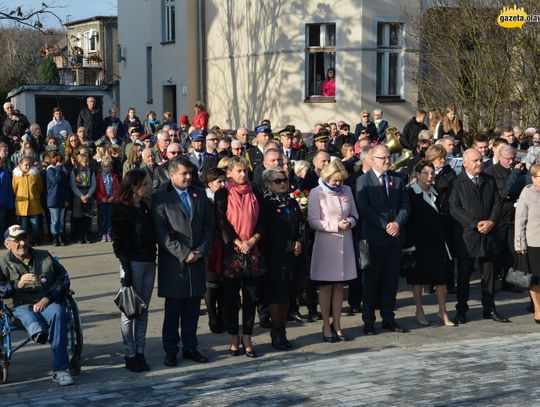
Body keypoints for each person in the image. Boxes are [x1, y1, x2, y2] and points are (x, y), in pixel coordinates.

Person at [151, 156, 213, 367]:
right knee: (173, 310)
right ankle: (170, 349)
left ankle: (190, 347)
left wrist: (200, 250)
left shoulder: (199, 193)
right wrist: (184, 253)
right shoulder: (161, 197)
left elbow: (208, 226)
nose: (188, 177)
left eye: (190, 173)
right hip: (175, 264)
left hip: (197, 260)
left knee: (193, 309)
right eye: (183, 173)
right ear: (171, 174)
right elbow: (162, 233)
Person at [0, 225, 74, 386]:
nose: (22, 243)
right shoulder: (2, 262)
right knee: (26, 314)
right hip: (18, 305)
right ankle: (39, 332)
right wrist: (17, 284)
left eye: (24, 238)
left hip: (46, 301)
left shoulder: (45, 256)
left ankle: (60, 370)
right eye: (17, 240)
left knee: (59, 313)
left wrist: (47, 298)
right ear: (7, 243)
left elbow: (63, 280)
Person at [449, 148, 509, 324]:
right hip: (467, 236)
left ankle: (489, 309)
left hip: (489, 234)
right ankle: (461, 310)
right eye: (475, 161)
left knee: (489, 274)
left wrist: (491, 221)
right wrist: (475, 223)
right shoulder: (457, 182)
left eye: (480, 160)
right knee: (464, 276)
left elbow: (497, 202)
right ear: (465, 162)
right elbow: (455, 208)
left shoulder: (488, 179)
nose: (479, 163)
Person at [214, 156, 265, 358]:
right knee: (231, 298)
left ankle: (248, 337)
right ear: (229, 173)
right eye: (238, 171)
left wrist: (252, 241)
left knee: (251, 297)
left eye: (245, 170)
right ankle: (234, 336)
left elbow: (263, 220)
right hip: (231, 252)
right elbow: (221, 221)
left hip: (253, 249)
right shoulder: (222, 193)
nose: (243, 174)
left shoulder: (257, 191)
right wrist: (237, 242)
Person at [356, 145, 410, 335]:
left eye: (389, 157)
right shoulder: (363, 180)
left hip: (394, 239)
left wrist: (397, 223)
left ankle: (389, 318)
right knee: (371, 283)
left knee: (391, 282)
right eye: (383, 158)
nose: (387, 161)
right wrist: (385, 224)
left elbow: (405, 206)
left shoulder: (397, 178)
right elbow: (364, 208)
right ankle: (369, 321)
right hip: (374, 239)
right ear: (372, 159)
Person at [111, 169, 157, 372]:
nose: (148, 187)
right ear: (133, 188)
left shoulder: (146, 207)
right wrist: (126, 271)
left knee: (144, 310)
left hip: (149, 261)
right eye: (145, 184)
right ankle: (129, 353)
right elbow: (120, 244)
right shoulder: (121, 210)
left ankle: (140, 351)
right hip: (133, 263)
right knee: (130, 311)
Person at [308, 160, 358, 342]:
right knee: (326, 286)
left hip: (345, 243)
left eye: (340, 180)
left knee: (339, 287)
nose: (338, 184)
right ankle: (326, 325)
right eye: (335, 180)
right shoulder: (316, 193)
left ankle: (337, 325)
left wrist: (349, 222)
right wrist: (335, 225)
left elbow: (354, 214)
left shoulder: (347, 190)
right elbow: (313, 221)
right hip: (326, 244)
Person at [405, 161, 455, 326]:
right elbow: (408, 221)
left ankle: (443, 312)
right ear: (417, 174)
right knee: (418, 279)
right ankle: (419, 310)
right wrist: (409, 245)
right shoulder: (410, 192)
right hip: (419, 242)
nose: (430, 176)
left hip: (437, 241)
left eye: (432, 172)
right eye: (426, 173)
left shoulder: (436, 192)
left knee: (441, 279)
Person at [261, 166, 303, 349]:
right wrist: (289, 245)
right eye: (278, 181)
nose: (283, 184)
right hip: (275, 257)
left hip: (293, 256)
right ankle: (276, 332)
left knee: (288, 295)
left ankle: (283, 330)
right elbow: (269, 233)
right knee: (278, 297)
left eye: (285, 180)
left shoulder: (291, 202)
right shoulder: (266, 204)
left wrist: (299, 242)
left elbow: (301, 225)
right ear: (268, 184)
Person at [484, 145, 526, 293]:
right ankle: (492, 282)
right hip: (499, 217)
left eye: (513, 158)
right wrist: (514, 174)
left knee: (512, 253)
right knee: (497, 252)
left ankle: (509, 282)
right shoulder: (491, 172)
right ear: (500, 157)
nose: (511, 161)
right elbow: (502, 194)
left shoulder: (519, 170)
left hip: (514, 217)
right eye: (508, 159)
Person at [515, 163, 540, 323]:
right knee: (536, 279)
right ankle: (538, 309)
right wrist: (520, 243)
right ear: (533, 177)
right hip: (534, 242)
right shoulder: (528, 192)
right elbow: (520, 220)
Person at [204, 168, 227, 333]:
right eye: (219, 181)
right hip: (210, 246)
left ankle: (223, 315)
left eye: (224, 180)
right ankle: (212, 315)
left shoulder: (226, 196)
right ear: (210, 184)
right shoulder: (204, 200)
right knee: (211, 284)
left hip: (225, 244)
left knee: (223, 283)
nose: (223, 184)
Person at [12, 157, 44, 245]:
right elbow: (14, 189)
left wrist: (35, 195)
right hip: (22, 206)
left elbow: (40, 187)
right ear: (20, 165)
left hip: (34, 205)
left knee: (35, 226)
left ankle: (34, 240)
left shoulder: (35, 175)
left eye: (29, 165)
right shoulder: (16, 176)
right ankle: (25, 242)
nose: (27, 167)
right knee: (24, 227)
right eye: (25, 165)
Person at [70, 154, 96, 244]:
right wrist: (81, 196)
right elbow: (73, 185)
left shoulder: (91, 171)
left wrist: (88, 194)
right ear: (79, 162)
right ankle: (80, 235)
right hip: (78, 194)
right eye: (85, 162)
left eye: (88, 161)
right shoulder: (75, 171)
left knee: (87, 216)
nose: (87, 163)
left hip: (88, 192)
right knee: (79, 216)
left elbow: (93, 184)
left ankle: (87, 234)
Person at [45, 151, 69, 246]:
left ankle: (61, 236)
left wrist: (67, 199)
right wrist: (59, 168)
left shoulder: (62, 171)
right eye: (59, 161)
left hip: (62, 198)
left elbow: (65, 186)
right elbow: (56, 180)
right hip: (53, 199)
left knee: (61, 219)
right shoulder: (50, 170)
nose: (60, 163)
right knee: (54, 220)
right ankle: (55, 237)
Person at [96, 159, 120, 242]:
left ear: (111, 167)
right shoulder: (99, 176)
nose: (106, 168)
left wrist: (113, 197)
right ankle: (103, 233)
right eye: (104, 166)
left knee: (110, 217)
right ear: (101, 167)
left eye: (108, 166)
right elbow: (97, 189)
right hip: (102, 200)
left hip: (110, 200)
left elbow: (116, 189)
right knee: (103, 217)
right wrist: (101, 198)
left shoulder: (114, 176)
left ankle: (109, 233)